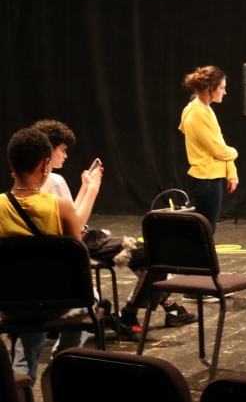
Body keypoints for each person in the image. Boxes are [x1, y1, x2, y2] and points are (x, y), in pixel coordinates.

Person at [31, 120, 197, 339]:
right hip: (79, 243)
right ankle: (130, 313)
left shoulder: (46, 180)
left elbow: (70, 213)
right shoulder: (53, 180)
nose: (65, 155)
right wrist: (93, 189)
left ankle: (168, 304)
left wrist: (85, 187)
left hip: (78, 239)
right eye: (62, 150)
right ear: (48, 151)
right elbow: (75, 225)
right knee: (151, 255)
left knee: (145, 256)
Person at [1, 128, 84, 385]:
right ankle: (60, 366)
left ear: (12, 164)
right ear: (45, 164)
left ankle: (22, 379)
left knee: (27, 314)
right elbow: (79, 259)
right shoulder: (61, 206)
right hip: (58, 300)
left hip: (9, 302)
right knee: (89, 300)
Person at [179, 65, 238, 232]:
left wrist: (231, 172)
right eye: (221, 88)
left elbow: (220, 144)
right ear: (208, 89)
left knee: (207, 229)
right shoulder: (196, 112)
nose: (224, 92)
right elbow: (218, 149)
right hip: (205, 179)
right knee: (204, 230)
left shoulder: (206, 110)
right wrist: (235, 153)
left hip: (212, 177)